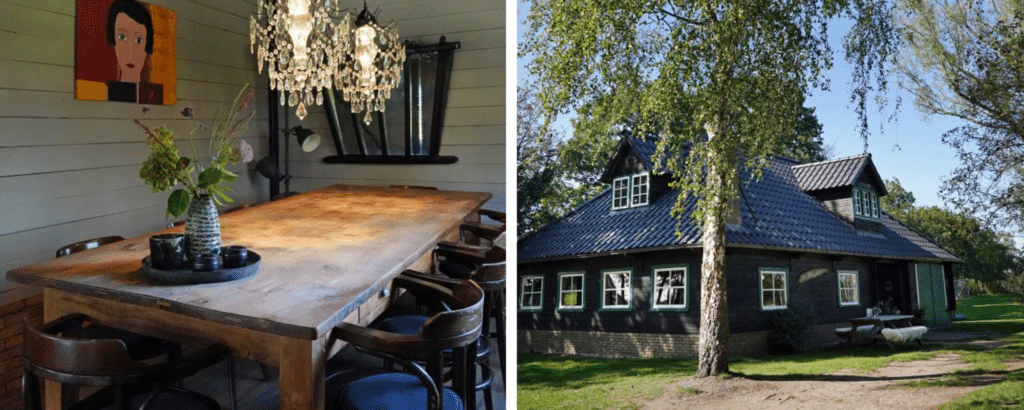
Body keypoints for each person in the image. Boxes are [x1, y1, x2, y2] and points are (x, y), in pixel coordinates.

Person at [105, 0, 162, 104]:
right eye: (122, 37)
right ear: (113, 40)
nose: (130, 51)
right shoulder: (104, 92)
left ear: (147, 44)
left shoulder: (154, 94)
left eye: (139, 40)